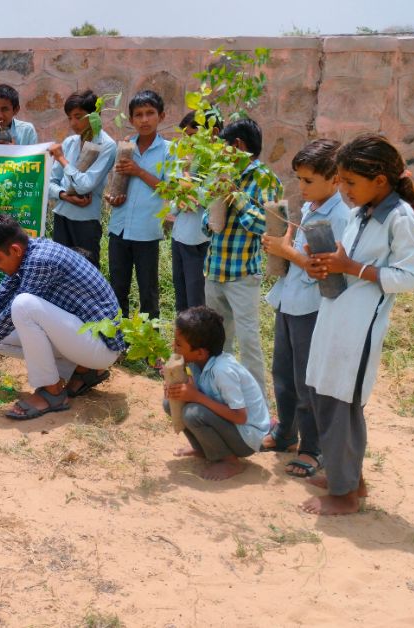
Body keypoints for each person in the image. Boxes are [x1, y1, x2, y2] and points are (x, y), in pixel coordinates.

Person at [301, 133, 414, 516]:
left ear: (380, 181)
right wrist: (326, 259)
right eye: (342, 181)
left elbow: (409, 277)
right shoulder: (362, 211)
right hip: (335, 313)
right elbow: (348, 256)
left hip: (359, 328)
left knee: (342, 403)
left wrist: (352, 267)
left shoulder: (399, 217)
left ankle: (344, 495)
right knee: (324, 394)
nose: (345, 190)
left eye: (350, 182)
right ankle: (349, 477)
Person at [0, 214, 123, 420]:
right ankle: (84, 370)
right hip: (84, 339)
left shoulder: (40, 261)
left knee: (23, 306)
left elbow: (4, 319)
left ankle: (52, 393)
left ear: (14, 250)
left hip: (103, 346)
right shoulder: (26, 255)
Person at [259, 139, 351, 482]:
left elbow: (323, 268)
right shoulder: (314, 207)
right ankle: (286, 433)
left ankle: (313, 448)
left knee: (307, 380)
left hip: (314, 308)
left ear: (335, 179)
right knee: (282, 372)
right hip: (291, 301)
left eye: (309, 180)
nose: (302, 187)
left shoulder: (340, 216)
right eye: (299, 179)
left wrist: (285, 251)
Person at [202, 117, 282, 395]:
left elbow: (263, 226)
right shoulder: (225, 174)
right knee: (217, 341)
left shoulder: (265, 180)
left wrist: (235, 196)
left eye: (223, 147)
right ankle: (221, 394)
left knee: (248, 343)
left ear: (237, 145)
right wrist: (212, 206)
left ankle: (255, 403)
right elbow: (208, 225)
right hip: (214, 271)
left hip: (242, 276)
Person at [165, 306, 271, 480]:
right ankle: (203, 449)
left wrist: (196, 397)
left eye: (179, 344)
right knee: (170, 402)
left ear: (199, 353)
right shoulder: (195, 362)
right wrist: (173, 383)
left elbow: (240, 417)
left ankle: (230, 462)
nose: (173, 347)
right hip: (230, 426)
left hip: (246, 437)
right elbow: (193, 393)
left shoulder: (223, 371)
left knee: (193, 413)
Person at [102, 90, 173, 319]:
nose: (144, 120)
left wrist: (139, 172)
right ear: (131, 119)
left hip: (147, 233)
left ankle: (150, 348)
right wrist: (113, 198)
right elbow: (116, 185)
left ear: (161, 116)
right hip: (119, 228)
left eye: (150, 113)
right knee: (117, 290)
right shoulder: (124, 147)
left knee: (148, 292)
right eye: (138, 115)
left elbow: (171, 190)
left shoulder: (168, 151)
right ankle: (118, 344)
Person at [48, 89, 117, 268]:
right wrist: (63, 195)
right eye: (70, 118)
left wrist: (62, 159)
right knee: (59, 272)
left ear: (95, 115)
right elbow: (49, 183)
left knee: (87, 273)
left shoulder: (106, 145)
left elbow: (85, 186)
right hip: (61, 216)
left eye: (78, 116)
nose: (73, 123)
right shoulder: (70, 142)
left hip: (86, 221)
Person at [167, 111, 217, 313]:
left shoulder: (216, 164)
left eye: (192, 135)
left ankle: (197, 343)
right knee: (181, 298)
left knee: (196, 302)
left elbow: (213, 200)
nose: (188, 141)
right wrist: (182, 197)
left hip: (199, 240)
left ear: (211, 134)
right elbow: (174, 204)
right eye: (186, 136)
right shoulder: (186, 162)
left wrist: (191, 190)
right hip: (179, 236)